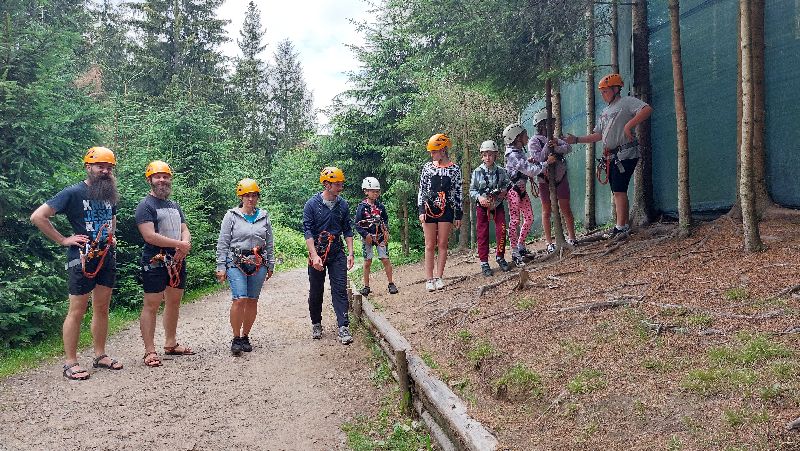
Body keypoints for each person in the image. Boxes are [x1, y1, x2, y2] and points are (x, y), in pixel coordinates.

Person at [30, 146, 123, 380]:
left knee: (102, 308)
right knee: (77, 310)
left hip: (105, 256)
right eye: (100, 166)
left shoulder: (109, 192)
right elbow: (38, 216)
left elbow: (112, 217)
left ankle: (100, 355)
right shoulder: (73, 192)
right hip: (81, 258)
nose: (105, 171)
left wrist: (111, 237)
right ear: (88, 167)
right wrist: (63, 239)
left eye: (109, 167)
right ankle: (70, 362)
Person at [563, 73, 653, 239]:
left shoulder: (626, 102)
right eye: (602, 92)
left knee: (619, 190)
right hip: (612, 157)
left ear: (616, 89)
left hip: (625, 153)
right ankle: (622, 225)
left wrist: (629, 125)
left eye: (605, 91)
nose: (603, 95)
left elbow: (646, 109)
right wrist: (576, 140)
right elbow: (598, 135)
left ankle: (621, 227)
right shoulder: (604, 111)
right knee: (617, 191)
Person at [136, 160, 194, 367]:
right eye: (158, 177)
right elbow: (149, 236)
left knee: (174, 302)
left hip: (177, 259)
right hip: (155, 259)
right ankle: (149, 351)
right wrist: (179, 244)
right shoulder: (145, 206)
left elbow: (184, 228)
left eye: (165, 177)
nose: (162, 180)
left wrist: (184, 245)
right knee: (151, 304)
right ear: (150, 180)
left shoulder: (174, 205)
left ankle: (171, 343)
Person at [216, 179, 275, 356]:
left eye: (254, 195)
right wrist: (221, 265)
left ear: (258, 197)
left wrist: (270, 263)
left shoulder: (264, 216)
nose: (250, 199)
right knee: (239, 299)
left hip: (258, 262)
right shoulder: (231, 216)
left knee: (252, 300)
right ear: (241, 197)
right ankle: (236, 337)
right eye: (247, 196)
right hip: (236, 261)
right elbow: (223, 241)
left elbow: (269, 242)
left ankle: (245, 336)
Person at [303, 166, 355, 345]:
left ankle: (343, 326)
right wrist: (314, 255)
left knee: (339, 289)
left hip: (337, 251)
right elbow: (308, 231)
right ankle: (316, 323)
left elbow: (347, 230)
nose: (340, 187)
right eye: (337, 184)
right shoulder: (311, 205)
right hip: (317, 251)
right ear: (326, 184)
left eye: (341, 184)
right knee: (316, 290)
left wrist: (351, 253)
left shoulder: (343, 205)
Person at [503, 123, 557, 266]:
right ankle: (514, 252)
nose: (527, 138)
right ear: (517, 138)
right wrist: (546, 163)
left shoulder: (518, 151)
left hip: (521, 190)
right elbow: (529, 171)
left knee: (529, 218)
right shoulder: (512, 154)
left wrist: (529, 161)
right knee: (515, 221)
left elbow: (521, 166)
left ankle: (520, 245)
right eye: (525, 136)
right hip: (514, 191)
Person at [418, 133, 463, 292]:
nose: (432, 154)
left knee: (443, 243)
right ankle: (429, 279)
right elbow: (422, 190)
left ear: (443, 150)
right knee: (430, 244)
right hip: (429, 209)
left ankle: (439, 277)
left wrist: (459, 214)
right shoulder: (428, 168)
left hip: (447, 209)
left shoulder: (455, 169)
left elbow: (458, 192)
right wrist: (421, 209)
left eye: (434, 151)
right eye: (431, 152)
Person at [529, 110, 576, 253]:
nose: (554, 125)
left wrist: (555, 145)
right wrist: (547, 145)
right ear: (543, 124)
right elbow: (538, 158)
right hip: (544, 180)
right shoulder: (534, 141)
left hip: (560, 176)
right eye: (551, 123)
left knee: (565, 208)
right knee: (546, 210)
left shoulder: (555, 138)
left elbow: (568, 148)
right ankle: (549, 242)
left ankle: (572, 238)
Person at [469, 140, 512, 276]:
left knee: (502, 229)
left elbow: (508, 184)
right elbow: (472, 190)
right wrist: (480, 198)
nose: (488, 158)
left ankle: (500, 256)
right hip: (483, 206)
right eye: (485, 155)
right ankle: (484, 262)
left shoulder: (501, 171)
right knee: (482, 233)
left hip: (497, 204)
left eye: (490, 155)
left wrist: (504, 191)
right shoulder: (477, 172)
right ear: (482, 156)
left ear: (495, 155)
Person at [354, 177, 398, 297]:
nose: (375, 193)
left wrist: (386, 231)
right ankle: (366, 286)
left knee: (385, 259)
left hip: (380, 236)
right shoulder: (362, 207)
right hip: (367, 237)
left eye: (377, 191)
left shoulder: (380, 206)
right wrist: (365, 235)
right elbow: (357, 224)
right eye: (373, 191)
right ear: (366, 191)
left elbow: (385, 220)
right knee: (367, 261)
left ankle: (391, 283)